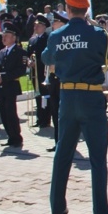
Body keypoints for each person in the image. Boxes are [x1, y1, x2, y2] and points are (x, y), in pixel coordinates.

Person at [43, 0, 108, 214]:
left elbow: (46, 58)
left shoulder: (56, 35)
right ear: (86, 11)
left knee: (63, 153)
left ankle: (57, 206)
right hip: (90, 97)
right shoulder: (96, 34)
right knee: (97, 157)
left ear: (67, 9)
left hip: (67, 97)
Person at [0, 22, 25, 148]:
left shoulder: (20, 52)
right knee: (3, 113)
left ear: (13, 37)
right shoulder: (1, 52)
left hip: (11, 85)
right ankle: (10, 136)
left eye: (6, 35)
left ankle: (16, 137)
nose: (3, 38)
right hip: (0, 87)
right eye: (3, 35)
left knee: (10, 112)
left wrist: (4, 77)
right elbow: (1, 66)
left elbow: (20, 70)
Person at [45, 11, 68, 152]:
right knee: (54, 111)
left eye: (55, 22)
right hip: (53, 78)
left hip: (63, 79)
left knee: (63, 113)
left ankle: (65, 142)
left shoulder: (65, 39)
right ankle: (58, 141)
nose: (53, 24)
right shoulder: (52, 38)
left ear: (62, 24)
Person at [26, 14, 51, 129]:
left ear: (44, 27)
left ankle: (46, 119)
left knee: (45, 95)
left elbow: (49, 56)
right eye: (35, 25)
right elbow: (28, 54)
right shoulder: (32, 39)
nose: (35, 27)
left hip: (43, 72)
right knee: (37, 95)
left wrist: (38, 63)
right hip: (34, 72)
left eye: (38, 25)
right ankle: (39, 117)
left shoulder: (48, 39)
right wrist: (29, 61)